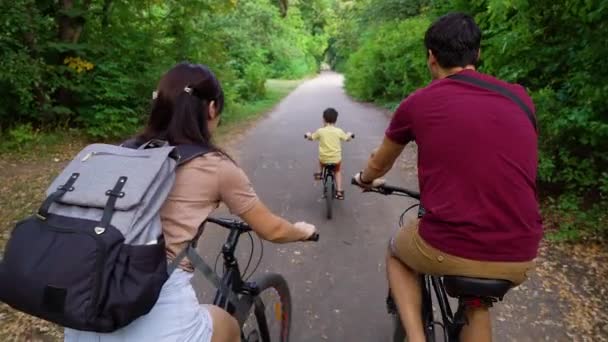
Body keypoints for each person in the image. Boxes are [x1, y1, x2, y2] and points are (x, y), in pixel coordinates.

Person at [64, 62, 317, 342]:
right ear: (211, 108)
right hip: (157, 309)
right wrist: (302, 231)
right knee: (227, 325)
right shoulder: (215, 166)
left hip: (85, 308)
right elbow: (274, 230)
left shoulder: (123, 152)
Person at [353, 13, 542, 342]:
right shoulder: (519, 97)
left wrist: (365, 179)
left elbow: (379, 164)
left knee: (396, 253)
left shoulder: (418, 103)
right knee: (476, 306)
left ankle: (415, 337)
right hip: (520, 251)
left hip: (448, 244)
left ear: (431, 56)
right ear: (478, 54)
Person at [305, 107, 354, 200]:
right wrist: (350, 134)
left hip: (324, 159)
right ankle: (339, 191)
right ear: (336, 120)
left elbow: (311, 137)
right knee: (337, 171)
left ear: (323, 119)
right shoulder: (339, 131)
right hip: (336, 159)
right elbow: (347, 139)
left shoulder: (320, 131)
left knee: (320, 158)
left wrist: (308, 135)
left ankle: (319, 173)